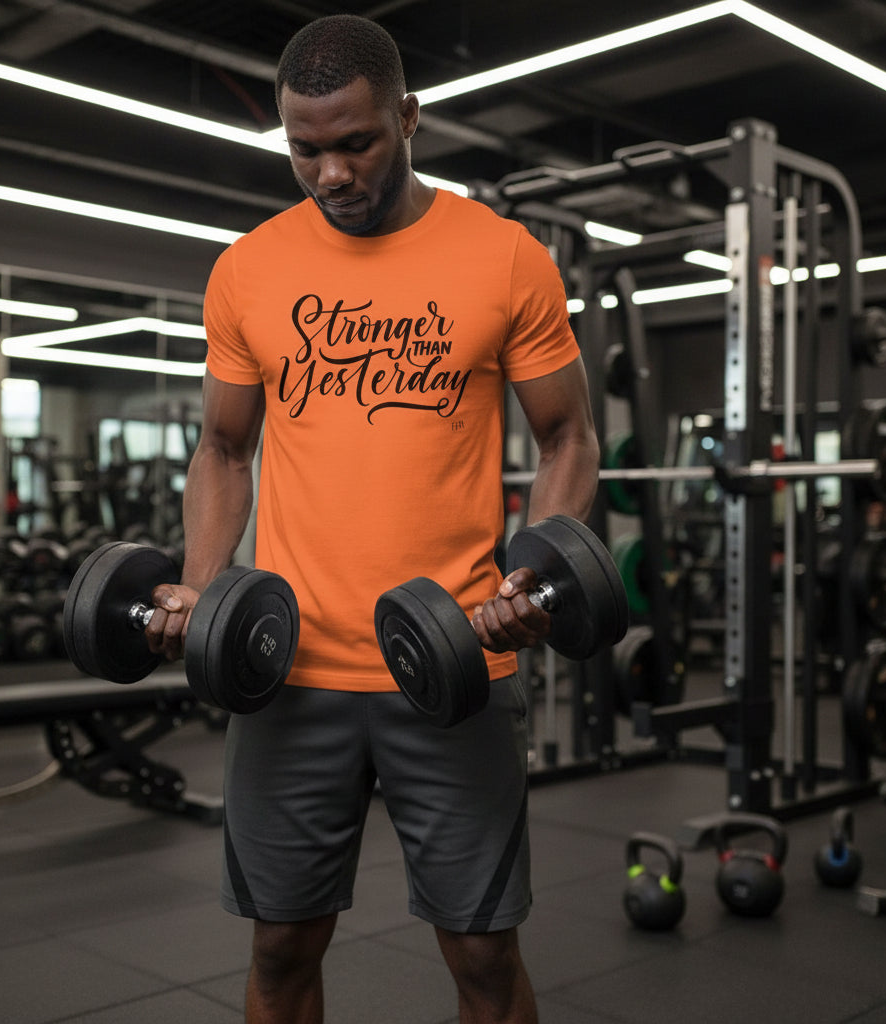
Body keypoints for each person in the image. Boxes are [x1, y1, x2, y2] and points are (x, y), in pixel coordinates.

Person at [146, 14, 599, 1023]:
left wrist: (537, 575)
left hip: (456, 663)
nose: (332, 174)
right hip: (287, 667)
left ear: (409, 117)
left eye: (357, 143)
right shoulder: (248, 270)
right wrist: (204, 578)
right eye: (305, 150)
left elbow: (568, 439)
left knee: (483, 953)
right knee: (278, 950)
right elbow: (222, 450)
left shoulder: (505, 258)